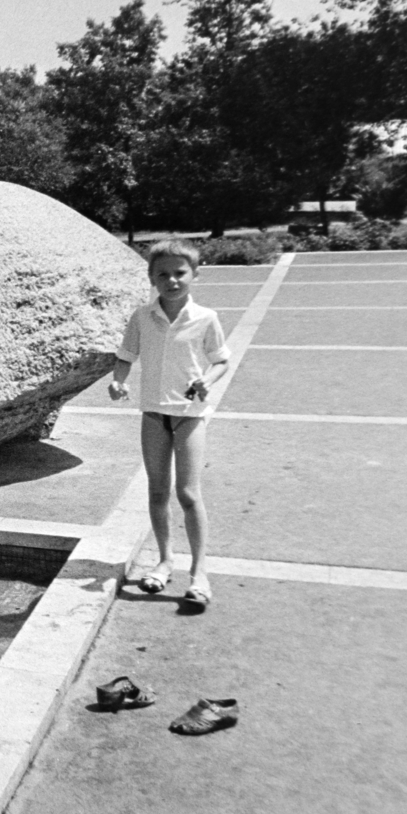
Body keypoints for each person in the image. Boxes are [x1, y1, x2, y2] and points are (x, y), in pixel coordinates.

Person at [109, 239, 231, 611]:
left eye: (180, 273)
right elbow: (126, 355)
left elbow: (221, 360)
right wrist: (118, 380)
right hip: (152, 413)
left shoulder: (206, 318)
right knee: (157, 492)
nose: (172, 280)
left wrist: (208, 381)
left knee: (189, 494)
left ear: (194, 274)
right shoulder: (141, 317)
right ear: (151, 277)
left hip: (189, 415)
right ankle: (164, 561)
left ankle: (199, 573)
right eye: (163, 274)